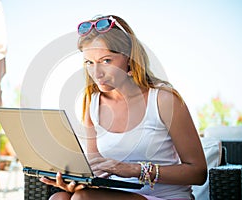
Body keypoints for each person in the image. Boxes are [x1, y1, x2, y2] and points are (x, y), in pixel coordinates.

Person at [39, 14, 207, 200]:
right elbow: (96, 171)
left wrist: (132, 169)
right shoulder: (93, 103)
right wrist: (73, 182)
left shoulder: (163, 100)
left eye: (106, 61)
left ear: (129, 58)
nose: (97, 73)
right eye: (90, 62)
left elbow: (198, 173)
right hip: (115, 195)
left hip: (165, 197)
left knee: (82, 199)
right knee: (60, 198)